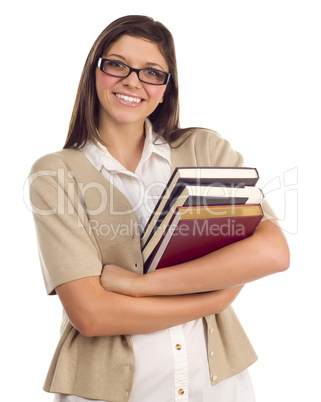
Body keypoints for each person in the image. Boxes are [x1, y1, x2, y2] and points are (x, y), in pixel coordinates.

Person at [29, 15, 290, 402]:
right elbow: (92, 315)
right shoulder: (56, 174)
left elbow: (273, 252)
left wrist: (138, 286)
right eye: (117, 64)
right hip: (108, 393)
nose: (133, 81)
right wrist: (215, 295)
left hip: (216, 386)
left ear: (166, 89)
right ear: (94, 72)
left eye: (152, 72)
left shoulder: (205, 150)